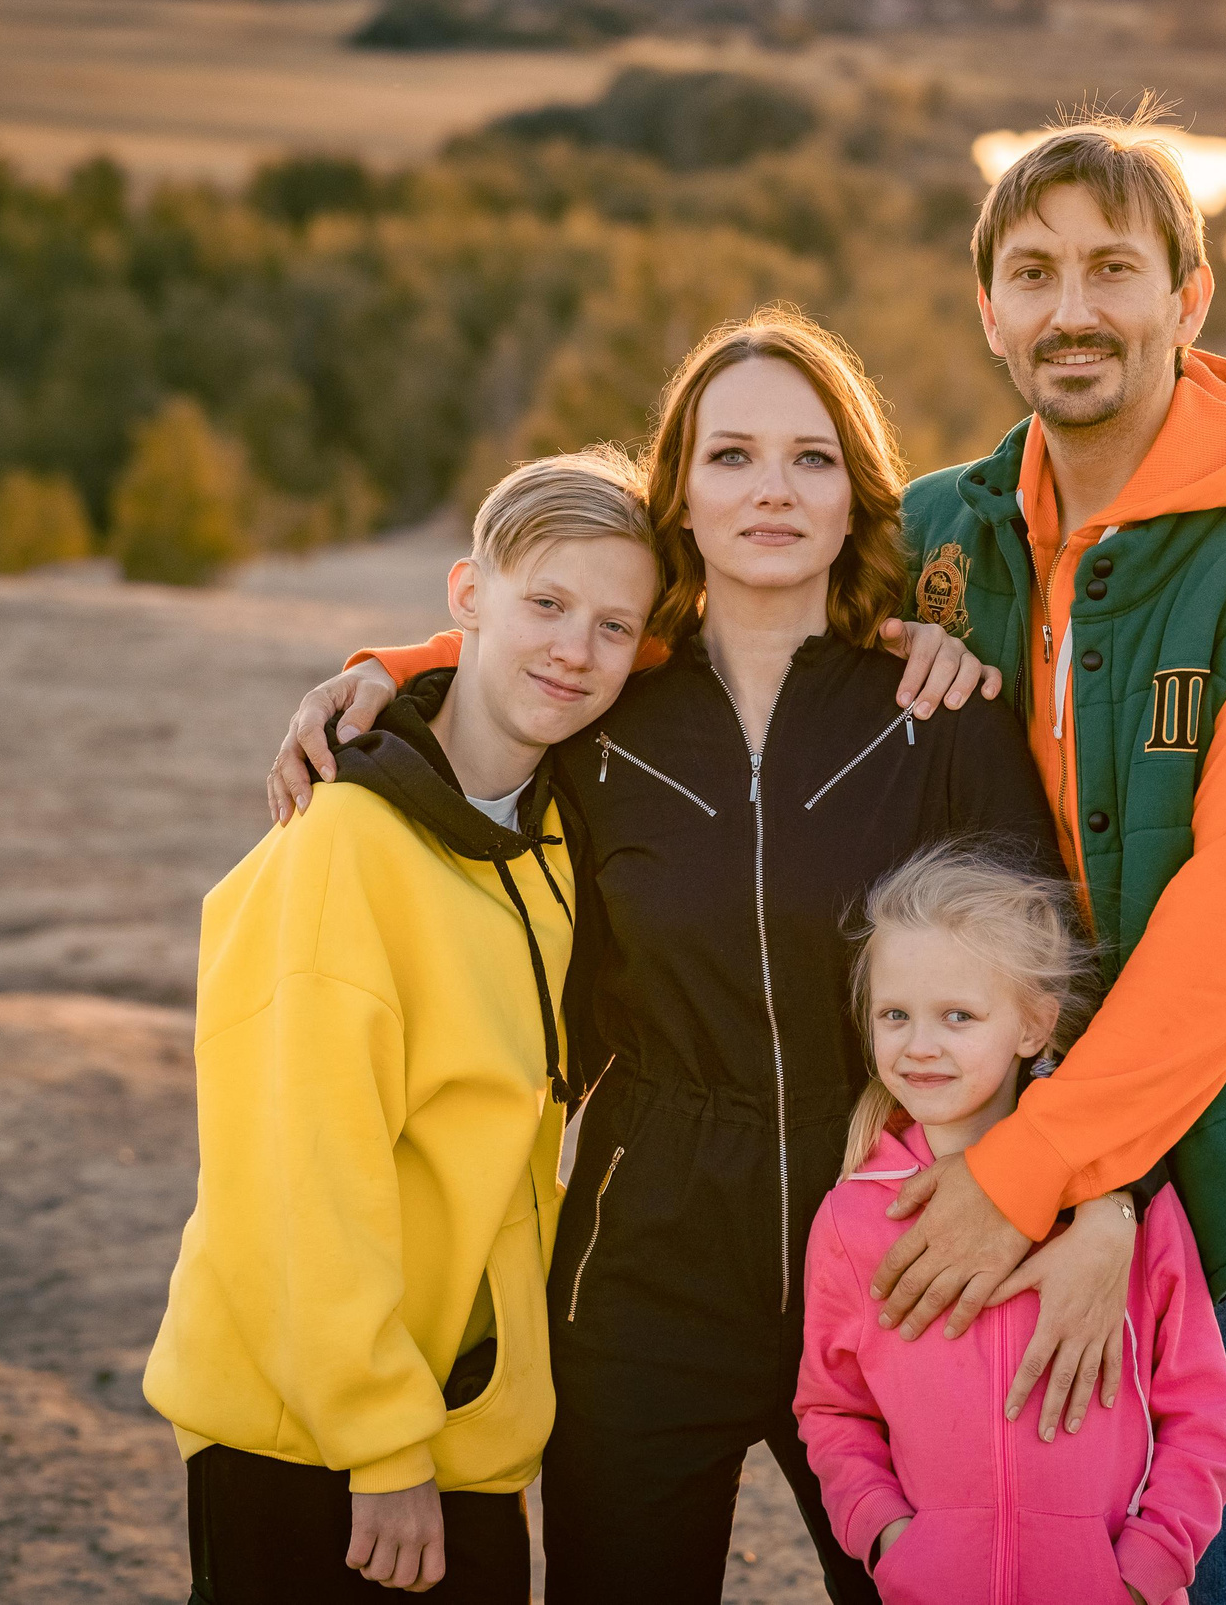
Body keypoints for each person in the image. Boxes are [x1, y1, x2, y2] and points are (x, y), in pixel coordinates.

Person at [272, 307, 1158, 1602]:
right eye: (732, 455)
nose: (772, 490)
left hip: (899, 1251)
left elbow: (1052, 994)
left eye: (811, 458)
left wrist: (1102, 1199)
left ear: (857, 495)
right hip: (643, 1263)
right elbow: (491, 701)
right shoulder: (600, 716)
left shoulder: (940, 711)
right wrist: (379, 684)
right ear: (678, 493)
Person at [871, 108, 1226, 1605]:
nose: (1073, 309)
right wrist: (425, 670)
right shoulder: (936, 535)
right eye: (1033, 274)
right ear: (989, 312)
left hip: (1207, 1164)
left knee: (1192, 1570)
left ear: (1188, 298)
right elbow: (692, 611)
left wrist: (1034, 1178)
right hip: (970, 1136)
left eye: (1113, 268)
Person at [142, 450, 661, 1601]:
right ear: (466, 594)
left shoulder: (547, 838)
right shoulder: (343, 843)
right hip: (312, 1439)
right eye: (545, 604)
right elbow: (303, 1172)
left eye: (614, 627)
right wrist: (379, 1443)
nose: (576, 651)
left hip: (460, 1422)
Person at [797, 846, 1226, 1605]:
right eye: (895, 1014)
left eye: (958, 1016)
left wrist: (1143, 1572)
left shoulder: (1124, 1211)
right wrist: (891, 1541)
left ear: (1034, 1025)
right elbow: (834, 1409)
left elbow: (1200, 1408)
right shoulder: (853, 1216)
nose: (920, 1044)